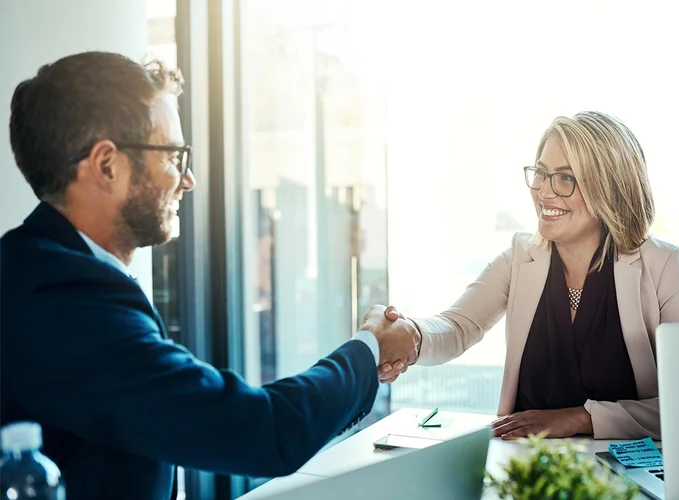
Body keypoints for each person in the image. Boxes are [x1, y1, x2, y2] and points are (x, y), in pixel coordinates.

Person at [0, 52, 418, 500]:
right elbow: (259, 430)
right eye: (175, 156)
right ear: (107, 165)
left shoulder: (39, 270)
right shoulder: (59, 298)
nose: (189, 180)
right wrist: (370, 347)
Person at [374, 111, 679, 441]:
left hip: (624, 474)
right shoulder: (521, 259)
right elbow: (458, 327)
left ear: (609, 188)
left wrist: (581, 418)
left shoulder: (663, 267)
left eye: (565, 178)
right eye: (541, 174)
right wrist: (411, 336)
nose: (544, 192)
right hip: (526, 467)